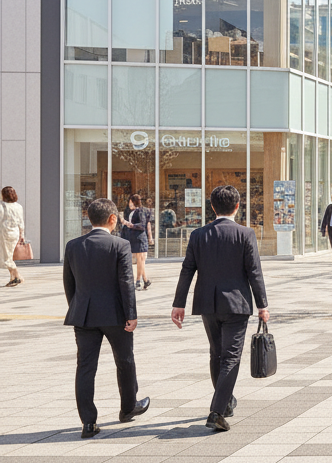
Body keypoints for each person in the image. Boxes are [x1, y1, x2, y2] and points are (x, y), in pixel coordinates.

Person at [171, 185, 270, 432]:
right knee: (231, 357)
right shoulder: (245, 234)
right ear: (237, 206)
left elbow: (187, 270)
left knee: (216, 353)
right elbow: (254, 272)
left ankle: (224, 404)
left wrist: (178, 304)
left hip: (207, 304)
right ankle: (216, 411)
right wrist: (262, 306)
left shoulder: (198, 235)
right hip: (237, 305)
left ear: (212, 207)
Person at [64, 198, 150, 438]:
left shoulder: (73, 245)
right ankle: (128, 407)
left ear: (89, 218)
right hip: (115, 315)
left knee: (85, 367)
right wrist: (131, 314)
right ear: (113, 219)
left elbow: (68, 284)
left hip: (84, 315)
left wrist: (78, 308)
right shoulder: (120, 245)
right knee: (124, 360)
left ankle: (88, 423)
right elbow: (126, 284)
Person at [121, 194, 154, 289]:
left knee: (141, 260)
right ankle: (141, 280)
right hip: (138, 237)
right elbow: (147, 224)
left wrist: (127, 224)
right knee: (141, 260)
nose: (129, 204)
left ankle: (141, 280)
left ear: (132, 201)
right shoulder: (140, 211)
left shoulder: (139, 211)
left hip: (138, 237)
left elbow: (142, 225)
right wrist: (150, 237)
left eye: (130, 201)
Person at [1, 186, 26, 287]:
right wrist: (22, 235)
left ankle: (17, 276)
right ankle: (12, 278)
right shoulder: (18, 206)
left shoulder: (2, 206)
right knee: (9, 256)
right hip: (15, 233)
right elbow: (21, 222)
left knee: (6, 257)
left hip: (3, 233)